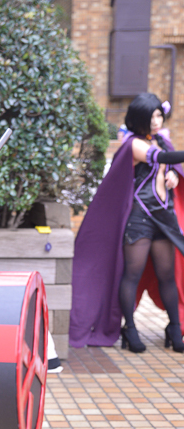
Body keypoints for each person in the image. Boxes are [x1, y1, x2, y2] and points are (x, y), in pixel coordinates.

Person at [70, 92, 184, 352]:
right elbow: (161, 159)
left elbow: (170, 166)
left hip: (164, 217)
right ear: (139, 119)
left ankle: (175, 327)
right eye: (151, 116)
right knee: (131, 274)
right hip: (139, 218)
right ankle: (129, 328)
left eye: (159, 115)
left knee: (167, 275)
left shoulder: (162, 140)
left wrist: (175, 176)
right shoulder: (133, 144)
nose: (156, 121)